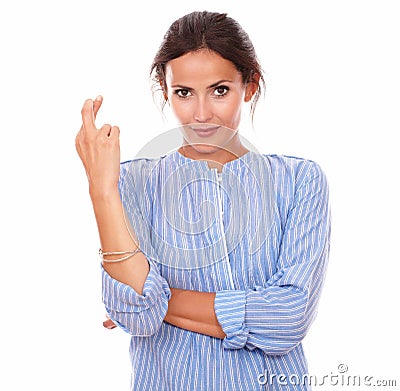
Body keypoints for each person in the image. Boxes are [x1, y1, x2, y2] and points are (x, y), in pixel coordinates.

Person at [75, 10, 330, 391]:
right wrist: (102, 190)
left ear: (250, 85)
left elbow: (287, 318)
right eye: (183, 93)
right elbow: (136, 316)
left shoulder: (299, 181)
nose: (201, 114)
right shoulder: (131, 183)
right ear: (166, 91)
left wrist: (159, 300)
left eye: (220, 90)